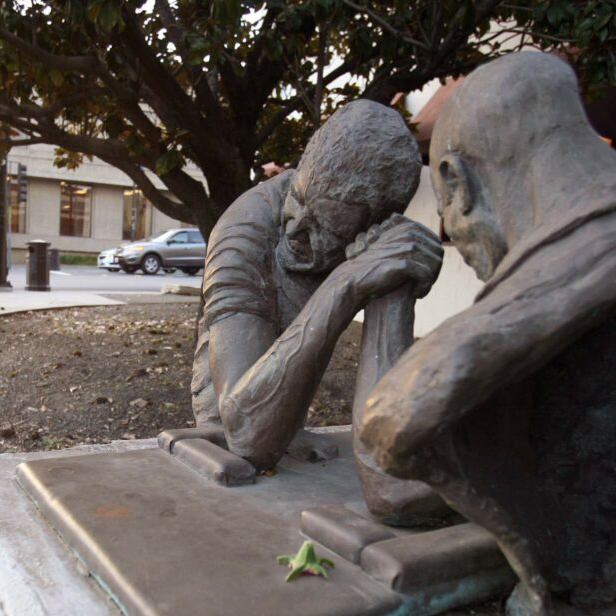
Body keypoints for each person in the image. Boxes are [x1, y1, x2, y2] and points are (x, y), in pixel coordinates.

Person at [359, 52, 616, 616]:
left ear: (455, 181)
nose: (455, 242)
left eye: (443, 212)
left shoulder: (611, 257)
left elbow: (393, 420)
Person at [191, 99, 449, 524]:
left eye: (323, 227)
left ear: (371, 228)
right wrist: (347, 282)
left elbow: (393, 486)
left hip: (275, 396)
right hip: (232, 404)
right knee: (245, 424)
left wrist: (393, 285)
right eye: (297, 199)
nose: (294, 228)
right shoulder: (243, 231)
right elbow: (244, 434)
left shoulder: (367, 236)